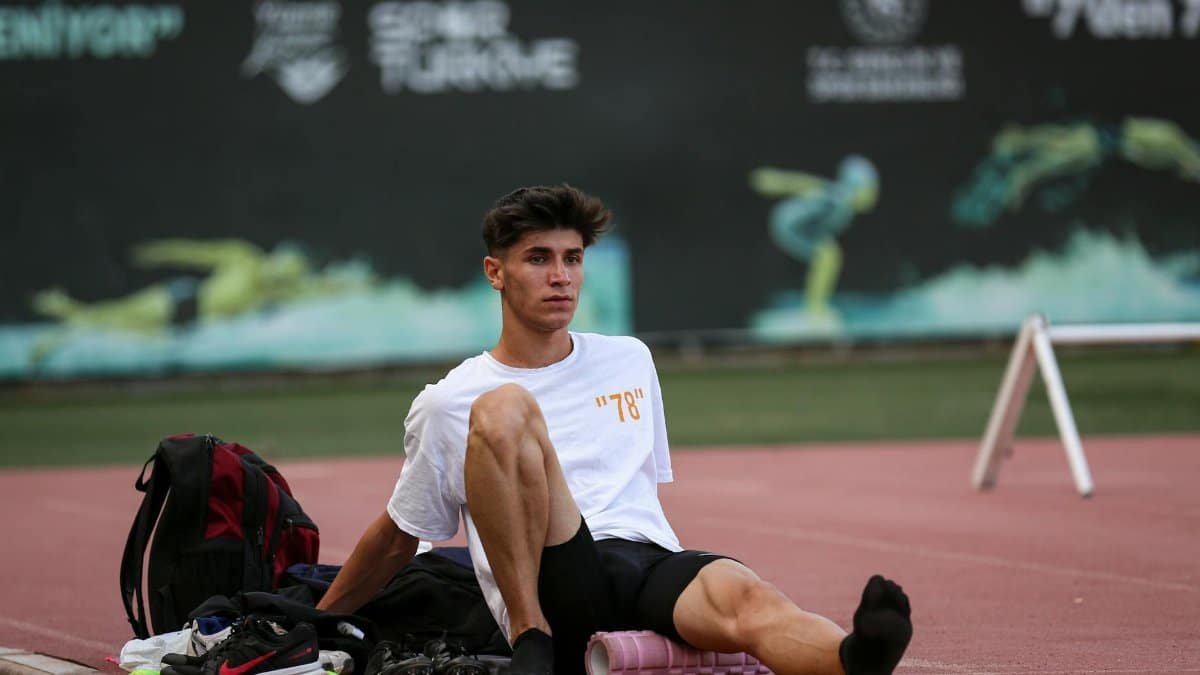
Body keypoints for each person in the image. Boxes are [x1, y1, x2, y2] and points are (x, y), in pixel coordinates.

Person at [316, 185, 913, 675]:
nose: (561, 277)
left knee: (745, 599)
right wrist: (314, 623)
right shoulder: (450, 400)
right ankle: (531, 642)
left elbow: (635, 497)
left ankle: (853, 656)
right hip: (554, 585)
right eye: (538, 259)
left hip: (647, 561)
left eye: (572, 259)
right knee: (506, 406)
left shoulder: (630, 358)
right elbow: (400, 536)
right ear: (495, 273)